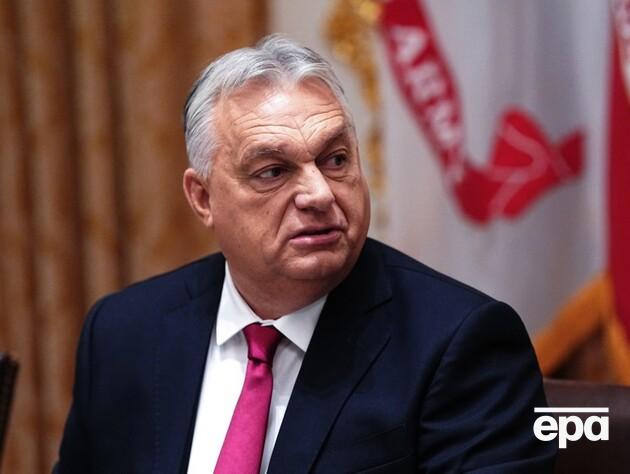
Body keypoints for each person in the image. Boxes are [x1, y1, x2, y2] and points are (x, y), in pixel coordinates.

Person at [54, 35, 556, 473]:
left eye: (335, 160)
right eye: (273, 172)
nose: (319, 194)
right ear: (203, 198)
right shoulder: (123, 333)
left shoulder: (461, 344)